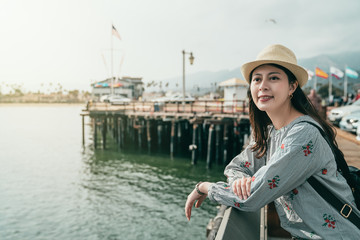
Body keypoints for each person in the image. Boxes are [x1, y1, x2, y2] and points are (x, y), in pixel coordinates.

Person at [184, 44, 360, 239]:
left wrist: (204, 187)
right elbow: (237, 166)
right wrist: (239, 183)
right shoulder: (270, 133)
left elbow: (252, 198)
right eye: (257, 79)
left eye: (274, 78)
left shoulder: (303, 135)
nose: (263, 86)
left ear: (292, 86)